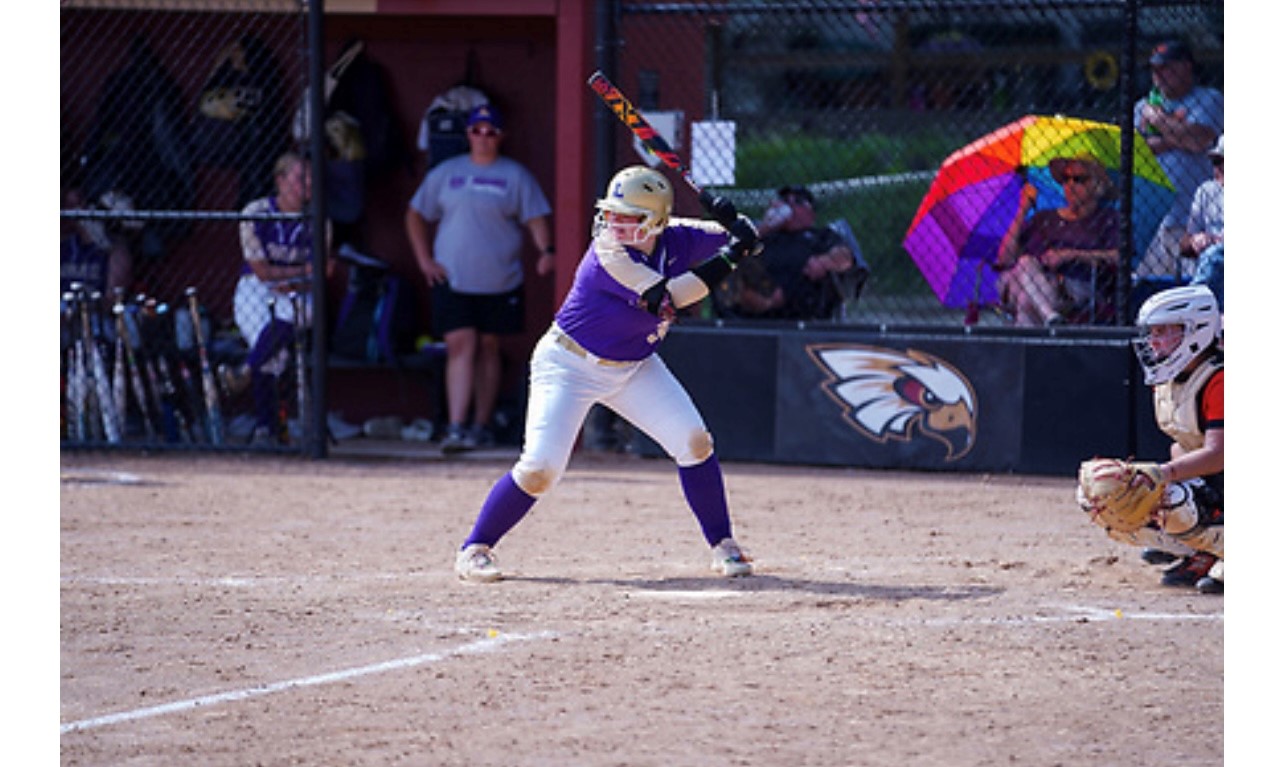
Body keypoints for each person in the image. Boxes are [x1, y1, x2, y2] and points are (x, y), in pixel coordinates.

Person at [452, 165, 761, 582]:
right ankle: (475, 548)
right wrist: (732, 256)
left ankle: (724, 545)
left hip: (634, 366)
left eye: (627, 215)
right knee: (541, 468)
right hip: (569, 364)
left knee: (694, 441)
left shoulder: (677, 236)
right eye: (612, 212)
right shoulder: (608, 253)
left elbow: (737, 237)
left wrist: (740, 230)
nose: (614, 222)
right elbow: (668, 298)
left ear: (656, 221)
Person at [404, 103, 554, 454]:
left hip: (500, 278)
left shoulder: (515, 176)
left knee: (488, 347)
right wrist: (425, 260)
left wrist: (547, 251)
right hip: (452, 277)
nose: (483, 138)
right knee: (461, 345)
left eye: (490, 131)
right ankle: (456, 425)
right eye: (476, 131)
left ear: (501, 136)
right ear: (467, 135)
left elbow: (535, 218)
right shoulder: (446, 173)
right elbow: (415, 214)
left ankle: (480, 424)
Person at [1077, 284, 1223, 593]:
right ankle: (1204, 552)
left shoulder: (1220, 379)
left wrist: (1162, 474)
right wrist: (1147, 480)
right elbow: (1183, 445)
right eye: (1152, 333)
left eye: (1162, 332)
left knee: (1173, 499)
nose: (1153, 342)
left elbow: (1219, 454)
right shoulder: (1173, 379)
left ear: (1194, 331)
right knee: (1103, 494)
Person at [226, 152, 329, 445]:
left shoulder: (319, 218)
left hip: (299, 291)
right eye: (300, 178)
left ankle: (247, 375)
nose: (307, 184)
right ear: (280, 181)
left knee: (293, 318)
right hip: (254, 289)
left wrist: (295, 276)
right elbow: (260, 272)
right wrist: (299, 272)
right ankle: (266, 428)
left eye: (311, 178)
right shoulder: (256, 211)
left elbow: (320, 275)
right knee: (274, 349)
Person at [1133, 39, 1224, 281]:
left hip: (1193, 221)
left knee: (1192, 290)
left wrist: (1157, 121)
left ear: (1187, 67)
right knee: (1152, 290)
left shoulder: (1209, 99)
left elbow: (1200, 140)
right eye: (1155, 69)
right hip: (1151, 222)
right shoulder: (1141, 106)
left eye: (1166, 68)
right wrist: (1177, 133)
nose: (1158, 75)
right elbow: (1136, 151)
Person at [994, 155, 1121, 327]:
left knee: (1025, 301)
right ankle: (1051, 318)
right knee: (1025, 264)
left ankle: (1030, 348)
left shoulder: (1107, 219)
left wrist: (1070, 255)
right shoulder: (1043, 218)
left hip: (1076, 285)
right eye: (1065, 179)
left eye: (1079, 179)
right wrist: (1023, 209)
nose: (1070, 185)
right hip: (1033, 281)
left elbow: (1120, 256)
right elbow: (1005, 259)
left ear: (1097, 185)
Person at [715, 185, 856, 320]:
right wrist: (766, 227)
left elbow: (846, 258)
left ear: (811, 213)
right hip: (756, 299)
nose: (790, 205)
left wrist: (824, 262)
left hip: (804, 306)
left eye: (798, 202)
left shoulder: (821, 236)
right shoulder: (763, 234)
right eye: (785, 200)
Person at [60, 186, 134, 301]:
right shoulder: (65, 244)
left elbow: (112, 296)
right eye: (69, 208)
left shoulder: (115, 250)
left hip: (96, 310)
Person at [1180, 134, 1224, 308]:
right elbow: (1183, 244)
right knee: (1212, 255)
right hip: (1211, 267)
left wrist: (1216, 241)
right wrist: (1194, 241)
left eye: (1224, 162)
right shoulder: (1207, 191)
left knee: (1216, 254)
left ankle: (1192, 305)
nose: (1219, 168)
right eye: (1216, 162)